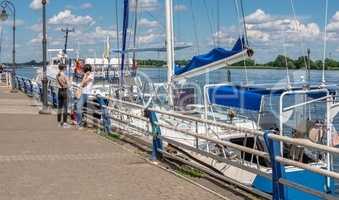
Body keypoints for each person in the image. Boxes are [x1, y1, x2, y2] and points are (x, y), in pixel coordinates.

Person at [76, 64, 94, 129]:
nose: (84, 71)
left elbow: (84, 83)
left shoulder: (91, 76)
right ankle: (79, 122)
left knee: (79, 108)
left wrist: (85, 76)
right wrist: (85, 76)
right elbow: (82, 84)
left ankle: (80, 123)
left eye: (85, 70)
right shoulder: (86, 75)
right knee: (78, 108)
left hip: (87, 94)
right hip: (83, 93)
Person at [56, 64, 70, 128]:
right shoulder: (64, 75)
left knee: (59, 107)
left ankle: (58, 122)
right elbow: (67, 85)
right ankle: (64, 123)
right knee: (65, 108)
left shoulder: (57, 75)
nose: (66, 68)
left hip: (59, 91)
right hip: (64, 91)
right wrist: (69, 82)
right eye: (65, 67)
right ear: (64, 68)